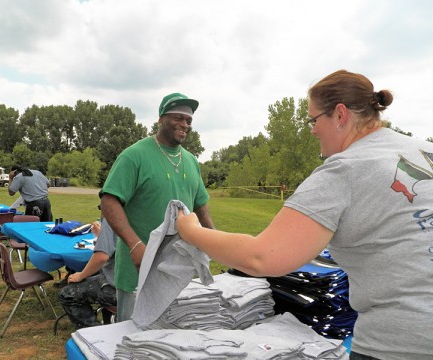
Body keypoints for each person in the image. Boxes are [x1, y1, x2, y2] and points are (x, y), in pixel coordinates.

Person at [177, 70, 433, 360]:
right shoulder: (425, 150)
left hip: (401, 343)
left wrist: (191, 231)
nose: (311, 130)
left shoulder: (345, 169)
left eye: (313, 119)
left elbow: (262, 257)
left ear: (339, 115)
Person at [100, 92, 215, 322]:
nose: (184, 124)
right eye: (178, 118)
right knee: (130, 343)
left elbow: (200, 206)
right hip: (139, 270)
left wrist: (215, 241)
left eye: (189, 120)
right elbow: (109, 201)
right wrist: (134, 246)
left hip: (179, 271)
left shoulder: (191, 161)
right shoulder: (134, 156)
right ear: (161, 119)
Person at [59, 218, 117, 329]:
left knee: (68, 294)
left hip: (121, 289)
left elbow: (102, 256)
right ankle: (108, 325)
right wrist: (103, 235)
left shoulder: (113, 218)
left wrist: (81, 275)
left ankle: (94, 336)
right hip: (145, 286)